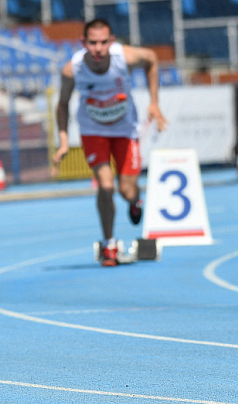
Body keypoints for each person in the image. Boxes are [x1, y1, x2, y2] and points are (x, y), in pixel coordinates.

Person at [52, 18, 167, 267]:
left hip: (125, 129)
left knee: (126, 190)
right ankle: (109, 244)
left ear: (111, 42)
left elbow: (152, 60)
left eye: (103, 42)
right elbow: (62, 104)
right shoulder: (72, 70)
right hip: (93, 130)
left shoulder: (125, 57)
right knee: (105, 186)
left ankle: (136, 200)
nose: (98, 48)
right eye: (92, 43)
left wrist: (154, 102)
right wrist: (63, 140)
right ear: (83, 43)